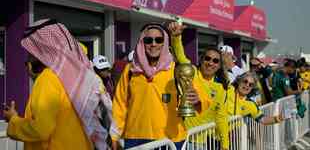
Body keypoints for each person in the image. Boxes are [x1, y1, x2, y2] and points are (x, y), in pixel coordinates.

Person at [3, 19, 112, 150]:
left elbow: (41, 129)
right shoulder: (86, 74)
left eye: (31, 49)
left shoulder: (49, 78)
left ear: (41, 49)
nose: (30, 55)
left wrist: (13, 121)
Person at [111, 23, 210, 150]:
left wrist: (197, 99)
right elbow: (120, 105)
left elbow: (204, 98)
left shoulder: (177, 69)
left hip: (169, 140)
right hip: (135, 139)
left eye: (159, 40)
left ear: (165, 43)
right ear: (142, 43)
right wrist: (114, 135)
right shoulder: (130, 70)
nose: (154, 44)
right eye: (148, 40)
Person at [168, 22, 232, 150]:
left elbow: (221, 118)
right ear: (201, 60)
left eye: (215, 61)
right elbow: (181, 56)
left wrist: (225, 145)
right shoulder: (192, 72)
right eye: (207, 59)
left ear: (219, 65)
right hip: (180, 138)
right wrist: (176, 37)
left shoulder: (221, 89)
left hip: (201, 143)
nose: (210, 63)